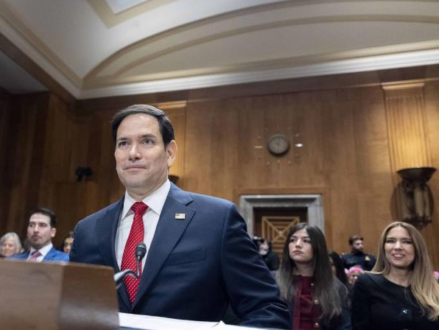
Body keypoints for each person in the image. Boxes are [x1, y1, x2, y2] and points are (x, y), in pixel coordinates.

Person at [70, 104, 290, 327]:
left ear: (170, 153)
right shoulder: (87, 230)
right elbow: (71, 310)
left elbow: (267, 310)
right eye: (123, 143)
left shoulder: (217, 219)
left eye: (147, 141)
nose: (133, 153)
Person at [352, 221, 439, 330]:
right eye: (390, 241)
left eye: (407, 241)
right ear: (384, 247)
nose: (397, 247)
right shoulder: (366, 283)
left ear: (417, 248)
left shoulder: (435, 287)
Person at [276, 223, 351, 330]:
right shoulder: (272, 281)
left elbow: (344, 326)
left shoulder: (336, 287)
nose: (297, 244)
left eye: (306, 241)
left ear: (318, 247)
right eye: (292, 240)